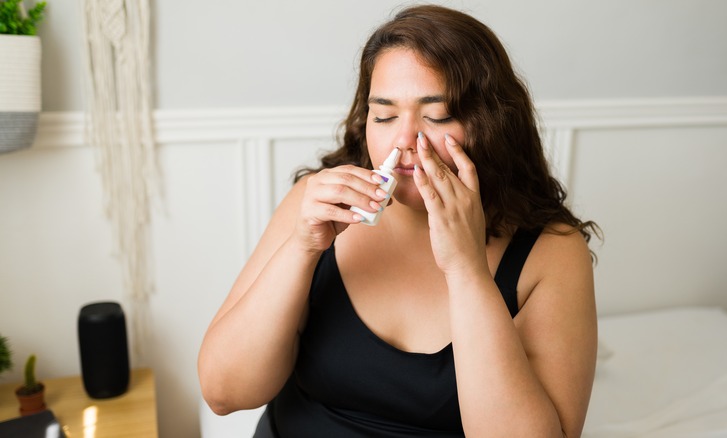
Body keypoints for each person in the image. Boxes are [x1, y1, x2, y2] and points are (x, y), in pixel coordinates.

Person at [199, 4, 599, 437]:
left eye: (438, 115)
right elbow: (224, 393)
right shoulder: (316, 203)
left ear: (493, 124)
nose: (403, 139)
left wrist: (467, 271)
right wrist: (302, 248)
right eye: (384, 115)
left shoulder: (552, 251)